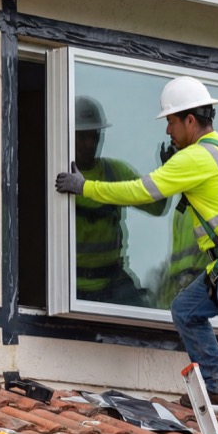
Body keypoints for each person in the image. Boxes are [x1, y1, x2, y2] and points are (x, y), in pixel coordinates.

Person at [55, 77, 218, 434]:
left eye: (171, 122)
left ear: (191, 121)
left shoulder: (196, 156)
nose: (169, 131)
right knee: (186, 311)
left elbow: (143, 192)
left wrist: (85, 187)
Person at [70, 96, 166, 305]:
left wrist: (168, 172)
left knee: (146, 319)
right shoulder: (58, 174)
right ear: (69, 135)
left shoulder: (114, 172)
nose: (90, 143)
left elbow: (157, 207)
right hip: (68, 288)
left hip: (112, 283)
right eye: (82, 136)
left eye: (94, 136)